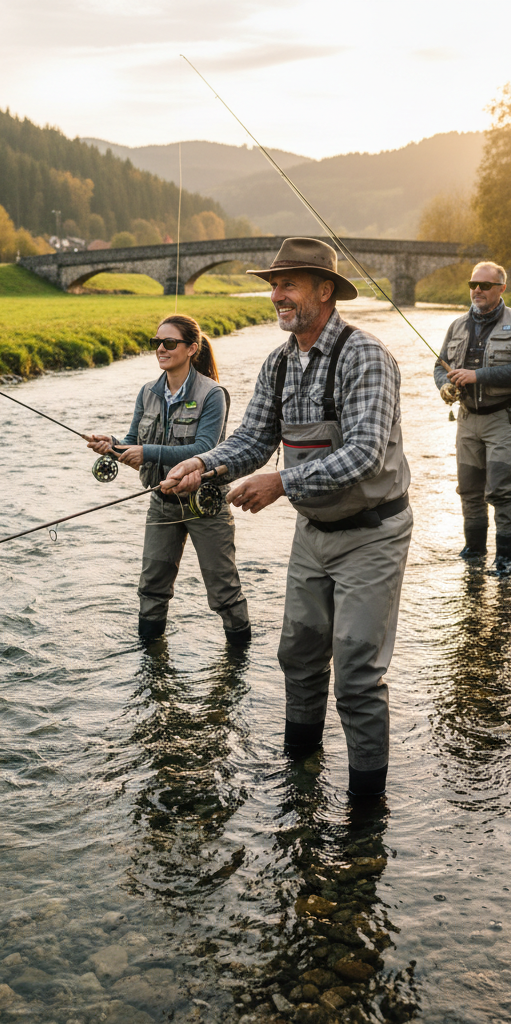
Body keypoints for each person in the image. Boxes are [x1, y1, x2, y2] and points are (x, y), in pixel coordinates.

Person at [162, 238, 413, 800]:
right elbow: (253, 439)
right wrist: (202, 464)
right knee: (297, 654)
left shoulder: (365, 356)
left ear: (325, 291)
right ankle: (301, 782)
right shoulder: (279, 361)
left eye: (289, 284)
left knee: (355, 672)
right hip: (313, 532)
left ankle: (364, 816)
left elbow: (366, 454)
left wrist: (282, 483)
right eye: (273, 284)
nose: (276, 295)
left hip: (373, 534)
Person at [87, 313, 251, 645]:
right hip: (161, 505)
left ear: (192, 348)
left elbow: (205, 448)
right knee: (151, 588)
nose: (161, 348)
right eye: (157, 342)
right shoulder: (147, 392)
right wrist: (111, 446)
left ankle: (237, 662)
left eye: (169, 343)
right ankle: (150, 664)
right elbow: (133, 442)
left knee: (224, 591)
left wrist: (147, 451)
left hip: (204, 505)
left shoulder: (213, 394)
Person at [434, 262, 511, 571]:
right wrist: (444, 386)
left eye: (484, 285)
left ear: (501, 289)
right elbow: (441, 365)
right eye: (473, 284)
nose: (476, 289)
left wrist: (478, 376)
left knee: (503, 492)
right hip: (466, 420)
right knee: (468, 490)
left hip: (502, 419)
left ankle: (505, 559)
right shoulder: (456, 326)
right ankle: (474, 553)